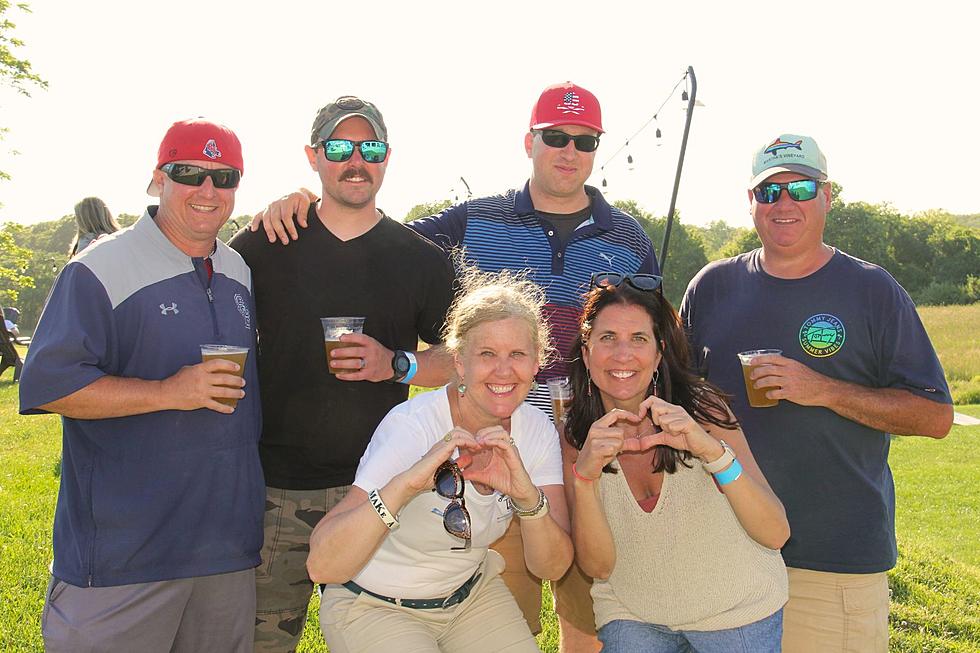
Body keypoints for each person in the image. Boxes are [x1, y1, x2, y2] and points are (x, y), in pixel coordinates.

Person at [251, 82, 657, 651]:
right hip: (465, 451)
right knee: (481, 596)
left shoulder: (630, 237)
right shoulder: (469, 223)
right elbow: (365, 230)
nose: (569, 150)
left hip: (573, 451)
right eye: (555, 136)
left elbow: (649, 341)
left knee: (587, 618)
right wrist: (300, 204)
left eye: (583, 140)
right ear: (530, 141)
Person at [680, 133, 953, 652]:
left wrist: (823, 390)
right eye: (769, 193)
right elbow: (679, 396)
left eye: (801, 189)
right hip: (724, 552)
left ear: (827, 196)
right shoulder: (712, 287)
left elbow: (935, 416)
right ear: (751, 203)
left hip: (831, 560)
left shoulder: (871, 290)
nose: (785, 204)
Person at [19, 118, 264, 652]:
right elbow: (47, 384)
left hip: (223, 549)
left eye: (224, 177)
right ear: (158, 179)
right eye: (189, 173)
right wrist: (167, 393)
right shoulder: (99, 267)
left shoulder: (238, 270)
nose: (207, 190)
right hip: (123, 557)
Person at [228, 95, 455, 652]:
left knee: (382, 641)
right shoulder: (264, 243)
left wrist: (396, 364)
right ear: (313, 156)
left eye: (370, 147)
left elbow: (462, 359)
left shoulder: (422, 258)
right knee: (262, 643)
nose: (356, 160)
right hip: (278, 490)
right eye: (339, 147)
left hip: (382, 488)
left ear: (387, 157)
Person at [307, 268, 573, 653]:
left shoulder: (535, 431)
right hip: (374, 604)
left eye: (517, 354)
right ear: (459, 363)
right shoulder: (412, 427)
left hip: (469, 597)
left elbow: (552, 568)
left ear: (536, 364)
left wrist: (529, 501)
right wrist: (406, 486)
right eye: (486, 354)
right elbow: (323, 566)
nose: (503, 370)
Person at [564, 274, 789, 651]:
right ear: (587, 354)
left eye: (639, 339)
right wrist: (584, 479)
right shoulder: (575, 436)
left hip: (734, 609)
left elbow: (775, 532)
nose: (623, 354)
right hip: (632, 609)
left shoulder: (702, 410)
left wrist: (712, 453)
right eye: (607, 339)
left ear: (658, 353)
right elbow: (598, 567)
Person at [0, 306, 23, 381]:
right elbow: (16, 334)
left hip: (3, 347)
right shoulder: (7, 322)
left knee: (7, 359)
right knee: (13, 358)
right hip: (5, 347)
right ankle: (19, 378)